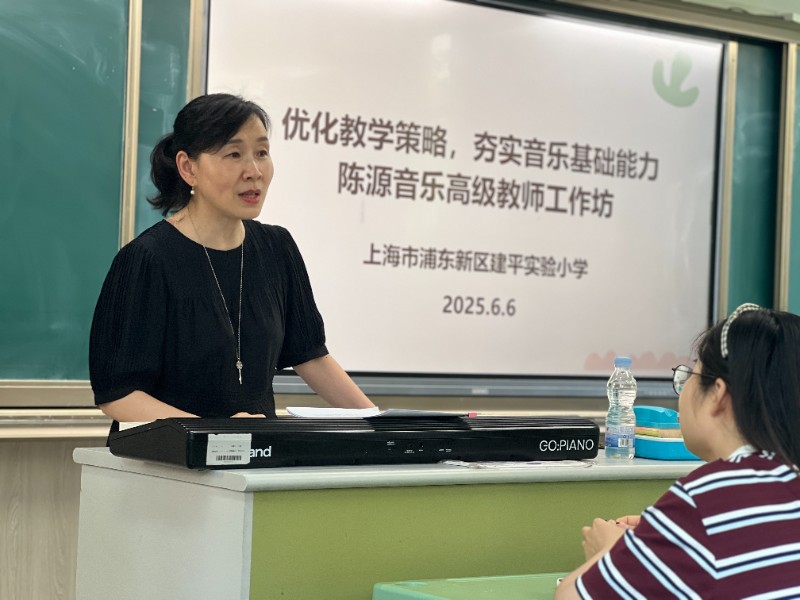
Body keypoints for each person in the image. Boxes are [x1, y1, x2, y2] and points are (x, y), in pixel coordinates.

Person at [90, 93, 374, 430]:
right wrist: (217, 433)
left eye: (262, 153)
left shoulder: (277, 247)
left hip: (257, 455)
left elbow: (312, 357)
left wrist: (382, 425)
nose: (254, 171)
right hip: (168, 458)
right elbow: (118, 394)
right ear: (188, 168)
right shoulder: (147, 259)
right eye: (234, 154)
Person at [555, 303, 800, 599]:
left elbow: (571, 595)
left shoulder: (707, 499)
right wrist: (664, 537)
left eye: (691, 375)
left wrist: (611, 552)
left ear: (718, 395)